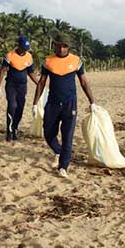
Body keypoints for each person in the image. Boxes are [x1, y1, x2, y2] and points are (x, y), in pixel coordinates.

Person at [32, 33, 95, 178]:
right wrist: (35, 103)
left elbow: (84, 82)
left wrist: (92, 102)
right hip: (53, 102)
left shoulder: (76, 61)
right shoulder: (48, 61)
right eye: (59, 45)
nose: (61, 49)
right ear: (55, 45)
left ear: (68, 47)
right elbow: (41, 82)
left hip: (69, 103)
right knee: (48, 133)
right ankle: (58, 151)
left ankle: (63, 166)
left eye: (64, 46)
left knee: (68, 136)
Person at [0, 36, 39, 141]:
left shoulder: (29, 57)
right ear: (18, 46)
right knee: (12, 106)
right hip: (11, 85)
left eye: (26, 49)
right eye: (23, 48)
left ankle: (15, 130)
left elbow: (31, 73)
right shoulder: (10, 55)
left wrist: (40, 84)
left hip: (22, 87)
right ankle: (9, 131)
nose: (24, 50)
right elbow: (2, 70)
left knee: (20, 108)